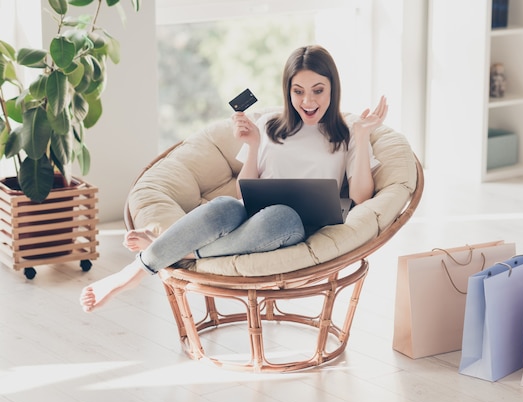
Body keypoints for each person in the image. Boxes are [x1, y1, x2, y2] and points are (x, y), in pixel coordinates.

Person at [80, 44, 388, 313]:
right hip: (248, 216)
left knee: (280, 216)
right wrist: (253, 146)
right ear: (288, 90)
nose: (307, 101)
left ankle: (162, 254)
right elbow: (247, 190)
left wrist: (361, 139)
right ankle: (134, 270)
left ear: (332, 89)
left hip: (292, 226)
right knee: (226, 204)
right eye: (298, 91)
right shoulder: (268, 125)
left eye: (318, 90)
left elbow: (361, 197)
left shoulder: (347, 134)